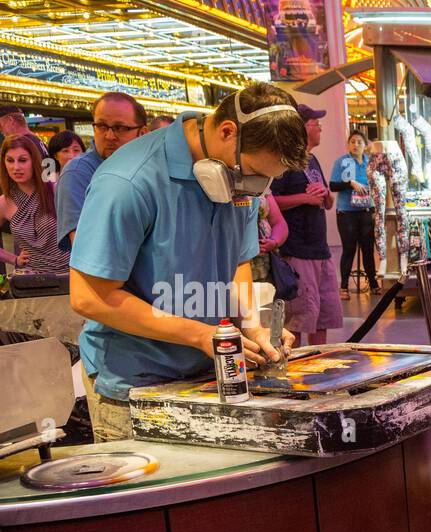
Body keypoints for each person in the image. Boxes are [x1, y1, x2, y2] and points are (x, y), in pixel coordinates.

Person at [68, 83, 306, 441]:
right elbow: (89, 297)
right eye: (253, 172)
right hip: (135, 384)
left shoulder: (241, 182)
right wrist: (199, 334)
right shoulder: (129, 181)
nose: (255, 186)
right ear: (228, 132)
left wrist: (252, 324)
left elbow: (238, 260)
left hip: (208, 375)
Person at [271, 103, 342, 347]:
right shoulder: (286, 163)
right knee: (299, 319)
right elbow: (271, 202)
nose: (320, 126)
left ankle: (320, 364)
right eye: (315, 123)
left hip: (321, 251)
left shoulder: (312, 160)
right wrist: (305, 198)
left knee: (324, 316)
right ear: (301, 128)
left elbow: (327, 203)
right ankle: (298, 371)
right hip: (297, 251)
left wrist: (325, 195)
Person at [55, 91, 147, 251]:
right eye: (102, 126)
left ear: (143, 133)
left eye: (120, 128)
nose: (110, 136)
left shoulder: (149, 168)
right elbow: (83, 247)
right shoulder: (78, 173)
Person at [0, 135, 69, 274]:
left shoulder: (55, 190)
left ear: (34, 161)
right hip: (32, 280)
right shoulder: (4, 202)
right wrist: (14, 259)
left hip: (70, 273)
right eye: (10, 160)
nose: (16, 167)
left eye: (23, 160)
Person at [329, 130, 378, 300]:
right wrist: (351, 183)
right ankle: (344, 287)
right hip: (347, 213)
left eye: (359, 142)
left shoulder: (370, 163)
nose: (355, 145)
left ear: (365, 145)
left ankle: (373, 283)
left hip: (366, 211)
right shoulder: (342, 162)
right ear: (348, 144)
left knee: (368, 249)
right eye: (352, 141)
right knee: (349, 249)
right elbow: (333, 186)